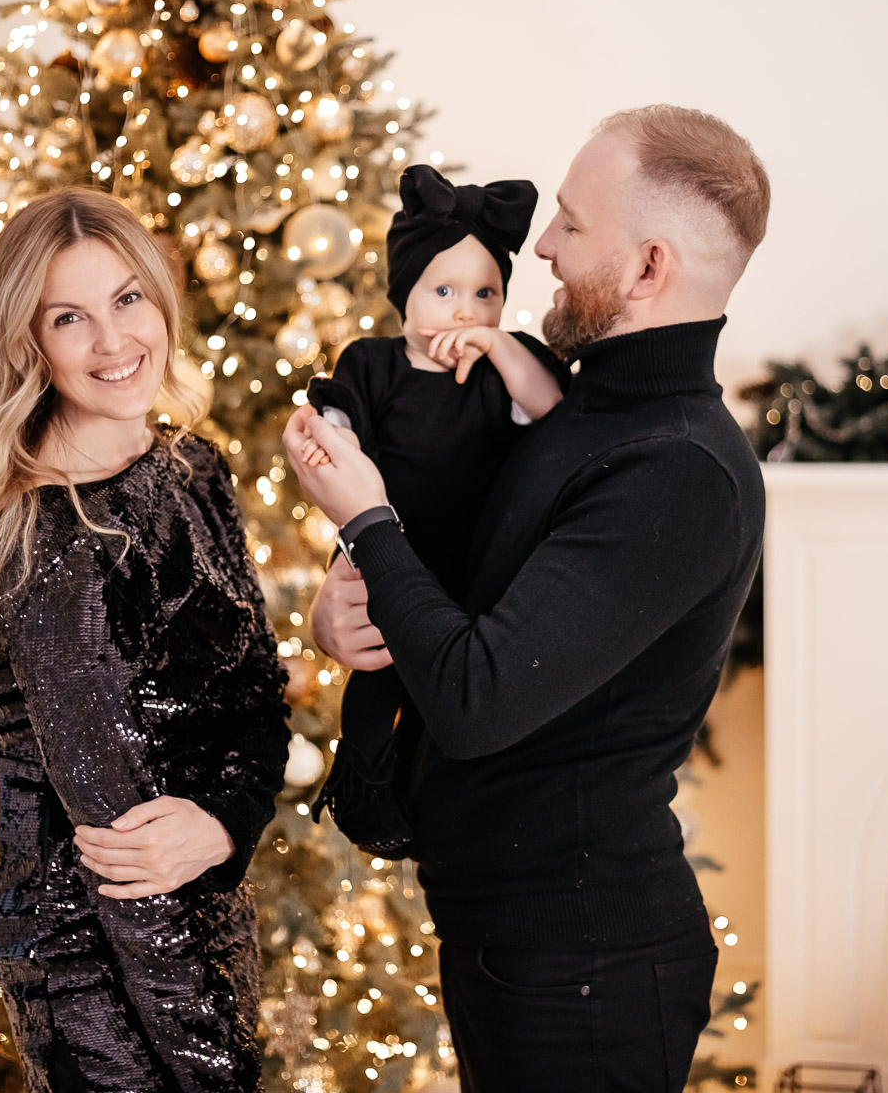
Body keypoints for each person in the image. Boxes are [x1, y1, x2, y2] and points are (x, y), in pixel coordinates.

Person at [284, 106, 771, 1092]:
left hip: (583, 963)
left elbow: (476, 695)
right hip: (512, 934)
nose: (541, 246)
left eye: (572, 224)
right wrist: (343, 612)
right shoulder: (571, 407)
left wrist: (367, 520)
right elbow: (461, 593)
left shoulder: (678, 470)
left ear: (649, 267)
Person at [0, 187, 289, 1093]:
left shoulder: (190, 468)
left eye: (127, 299)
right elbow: (121, 853)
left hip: (202, 924)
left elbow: (258, 693)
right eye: (69, 318)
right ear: (29, 344)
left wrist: (224, 825)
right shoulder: (53, 544)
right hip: (104, 977)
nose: (113, 341)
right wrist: (209, 1067)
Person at [298, 164, 570, 857]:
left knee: (455, 678)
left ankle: (438, 789)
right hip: (389, 543)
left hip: (474, 555)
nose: (464, 310)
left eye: (485, 293)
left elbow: (551, 407)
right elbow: (339, 419)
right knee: (377, 669)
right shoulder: (375, 362)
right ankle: (364, 780)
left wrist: (500, 345)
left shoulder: (505, 369)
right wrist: (331, 435)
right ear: (406, 293)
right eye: (444, 291)